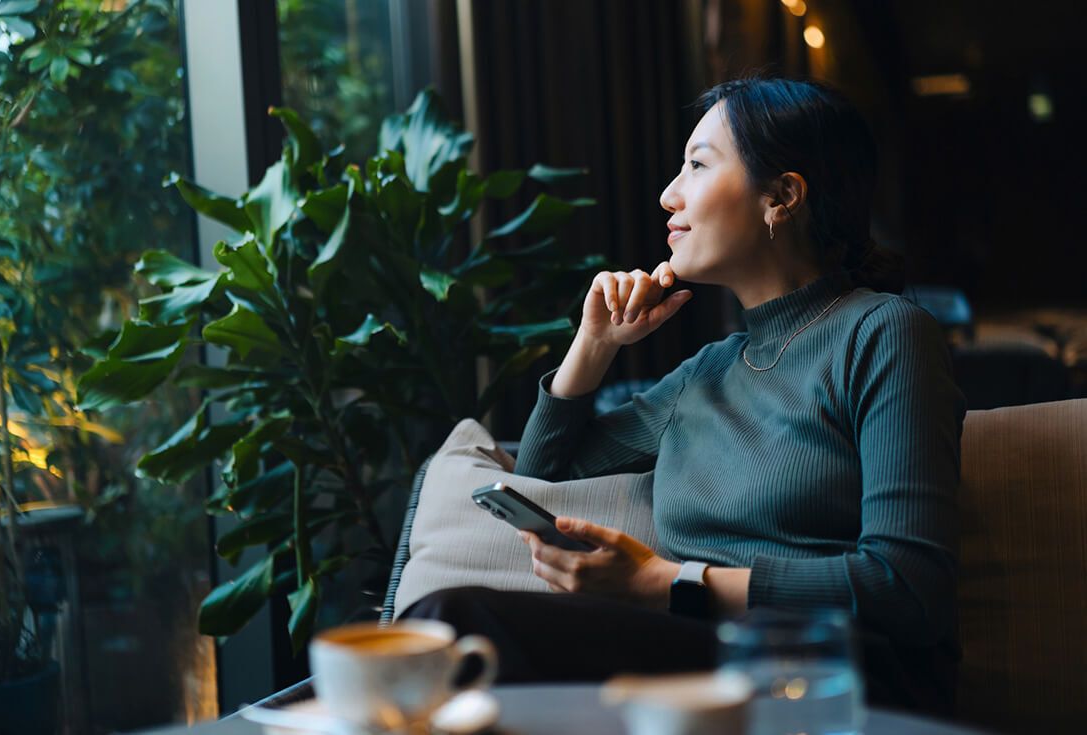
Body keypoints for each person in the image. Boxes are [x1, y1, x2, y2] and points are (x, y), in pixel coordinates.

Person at [403, 76, 966, 716]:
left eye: (697, 165)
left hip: (838, 672)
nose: (669, 195)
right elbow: (541, 477)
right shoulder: (705, 374)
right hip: (700, 660)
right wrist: (593, 344)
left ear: (781, 196)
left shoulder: (885, 333)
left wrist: (664, 583)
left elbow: (911, 592)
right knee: (442, 639)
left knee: (457, 624)